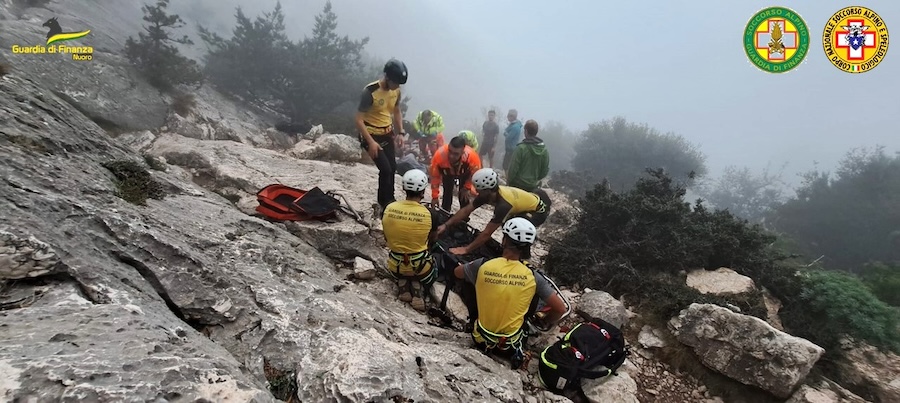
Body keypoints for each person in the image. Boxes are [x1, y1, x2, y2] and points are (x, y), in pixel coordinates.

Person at [453, 217, 567, 368]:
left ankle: (474, 320)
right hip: (510, 346)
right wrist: (545, 321)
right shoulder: (533, 276)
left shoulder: (483, 264)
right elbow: (560, 309)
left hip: (480, 339)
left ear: (505, 240)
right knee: (532, 294)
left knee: (471, 282)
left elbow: (457, 273)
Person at [437, 168, 552, 256]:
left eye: (478, 189)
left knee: (513, 228)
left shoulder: (503, 205)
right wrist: (446, 225)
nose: (476, 191)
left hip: (537, 211)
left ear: (486, 189)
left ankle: (523, 256)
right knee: (508, 224)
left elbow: (487, 233)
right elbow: (466, 210)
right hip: (525, 203)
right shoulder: (488, 193)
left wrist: (466, 249)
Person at [355, 59, 408, 214]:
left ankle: (389, 200)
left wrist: (401, 132)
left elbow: (397, 110)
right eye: (396, 82)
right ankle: (383, 203)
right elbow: (358, 119)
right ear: (388, 77)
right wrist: (370, 142)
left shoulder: (396, 91)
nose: (398, 86)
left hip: (386, 133)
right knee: (385, 169)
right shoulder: (370, 91)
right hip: (370, 134)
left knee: (392, 168)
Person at [382, 169, 438, 312]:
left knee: (401, 261)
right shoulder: (430, 214)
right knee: (433, 263)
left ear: (404, 188)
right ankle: (417, 286)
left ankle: (403, 283)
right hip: (422, 269)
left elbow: (386, 237)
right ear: (423, 191)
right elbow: (432, 239)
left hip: (395, 266)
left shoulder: (389, 208)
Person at [429, 135, 482, 212]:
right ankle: (445, 212)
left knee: (464, 195)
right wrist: (434, 196)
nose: (451, 156)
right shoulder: (439, 156)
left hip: (465, 172)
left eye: (456, 154)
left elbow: (475, 175)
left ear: (462, 152)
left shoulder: (472, 157)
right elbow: (435, 177)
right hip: (447, 172)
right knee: (447, 190)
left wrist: (467, 187)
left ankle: (464, 216)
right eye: (450, 151)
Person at [506, 119, 550, 192]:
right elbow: (545, 170)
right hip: (533, 186)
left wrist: (509, 182)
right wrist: (535, 179)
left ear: (526, 131)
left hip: (517, 185)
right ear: (536, 132)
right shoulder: (544, 150)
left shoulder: (521, 148)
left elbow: (513, 168)